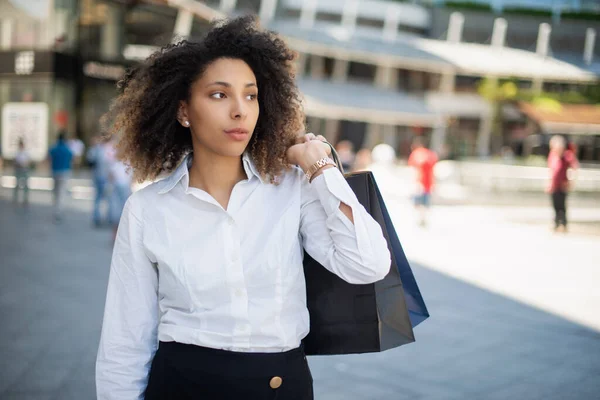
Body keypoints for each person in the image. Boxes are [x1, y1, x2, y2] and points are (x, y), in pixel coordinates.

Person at [95, 16, 391, 400]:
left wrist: (321, 167)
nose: (240, 110)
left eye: (250, 95)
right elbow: (125, 338)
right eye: (219, 94)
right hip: (181, 386)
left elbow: (367, 263)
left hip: (280, 387)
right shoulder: (147, 209)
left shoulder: (290, 189)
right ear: (183, 111)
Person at [547, 135, 578, 233]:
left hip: (562, 186)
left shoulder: (567, 155)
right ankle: (556, 224)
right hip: (554, 186)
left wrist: (571, 181)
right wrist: (549, 183)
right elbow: (551, 171)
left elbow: (574, 168)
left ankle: (563, 224)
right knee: (555, 206)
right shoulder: (552, 155)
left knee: (562, 206)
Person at [407, 137, 438, 227]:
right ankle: (423, 219)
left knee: (417, 203)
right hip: (428, 183)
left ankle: (419, 220)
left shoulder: (416, 154)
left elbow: (413, 170)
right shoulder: (431, 154)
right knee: (425, 203)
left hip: (419, 183)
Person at [87, 136, 111, 227]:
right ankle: (105, 218)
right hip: (103, 177)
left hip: (97, 176)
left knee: (98, 198)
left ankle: (98, 217)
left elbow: (90, 163)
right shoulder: (105, 150)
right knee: (106, 198)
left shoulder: (95, 150)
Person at [49, 133, 73, 221]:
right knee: (61, 192)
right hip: (64, 172)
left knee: (56, 192)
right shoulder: (67, 149)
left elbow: (49, 157)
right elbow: (71, 158)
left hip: (55, 172)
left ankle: (56, 209)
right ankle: (59, 210)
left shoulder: (54, 148)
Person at [13, 138, 31, 206]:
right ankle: (16, 198)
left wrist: (24, 164)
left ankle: (25, 199)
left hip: (24, 169)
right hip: (18, 169)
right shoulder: (17, 152)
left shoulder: (26, 152)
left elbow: (28, 161)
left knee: (26, 185)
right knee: (17, 185)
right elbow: (15, 161)